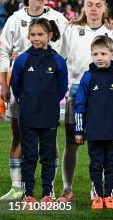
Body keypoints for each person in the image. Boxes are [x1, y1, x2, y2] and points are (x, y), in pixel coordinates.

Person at [0, 0, 69, 201]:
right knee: (19, 135)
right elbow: (3, 51)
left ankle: (49, 190)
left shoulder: (58, 18)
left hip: (47, 89)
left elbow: (67, 49)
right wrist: (4, 83)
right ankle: (17, 187)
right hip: (21, 85)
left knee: (50, 142)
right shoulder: (15, 19)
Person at [59, 0, 113, 202]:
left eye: (98, 5)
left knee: (103, 142)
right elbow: (62, 58)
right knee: (72, 142)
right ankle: (67, 189)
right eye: (90, 4)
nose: (94, 8)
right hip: (77, 89)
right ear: (83, 6)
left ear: (104, 7)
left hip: (104, 91)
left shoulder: (112, 31)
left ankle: (101, 192)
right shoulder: (72, 28)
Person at [10, 18, 68, 203]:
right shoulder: (23, 59)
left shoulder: (58, 60)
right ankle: (29, 194)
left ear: (50, 36)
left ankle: (47, 194)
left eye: (40, 34)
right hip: (27, 116)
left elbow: (62, 87)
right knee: (29, 156)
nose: (36, 38)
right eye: (33, 34)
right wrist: (26, 101)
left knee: (48, 156)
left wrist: (49, 102)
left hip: (49, 116)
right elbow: (16, 85)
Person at [74, 35, 113, 210]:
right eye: (95, 54)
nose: (99, 58)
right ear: (91, 55)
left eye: (103, 53)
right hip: (93, 131)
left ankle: (109, 196)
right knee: (95, 164)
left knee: (111, 164)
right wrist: (79, 131)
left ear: (112, 54)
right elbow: (80, 105)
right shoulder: (87, 77)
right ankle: (97, 197)